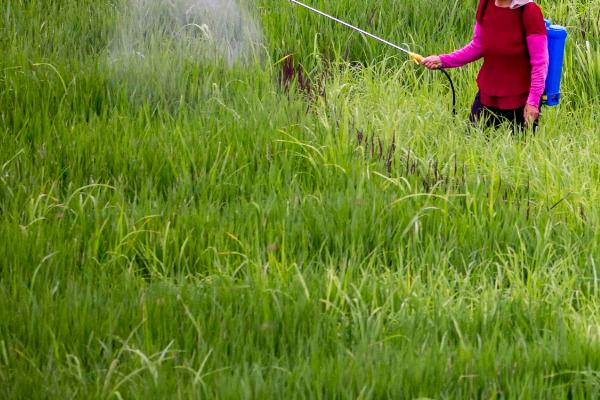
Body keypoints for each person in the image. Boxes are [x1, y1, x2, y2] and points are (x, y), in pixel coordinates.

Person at [422, 0, 549, 131]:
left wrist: (533, 102)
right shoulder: (485, 4)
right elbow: (477, 46)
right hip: (487, 95)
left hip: (521, 101)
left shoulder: (529, 11)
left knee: (518, 149)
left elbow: (540, 62)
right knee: (471, 143)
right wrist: (442, 60)